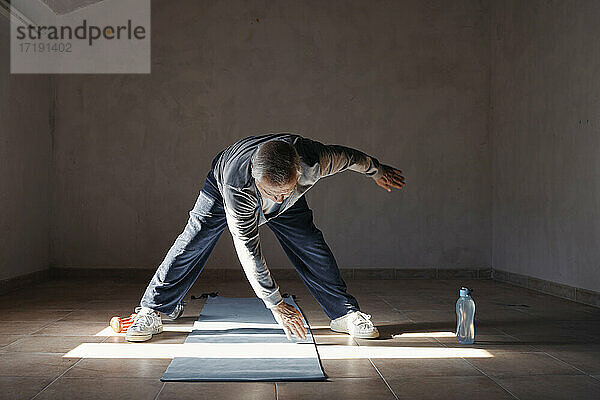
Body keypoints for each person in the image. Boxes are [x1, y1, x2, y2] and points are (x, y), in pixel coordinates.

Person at [125, 133, 406, 342]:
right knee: (193, 240)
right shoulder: (238, 185)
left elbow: (351, 158)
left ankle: (344, 313)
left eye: (285, 190)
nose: (279, 199)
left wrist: (377, 171)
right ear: (256, 180)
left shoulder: (314, 159)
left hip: (290, 192)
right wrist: (276, 303)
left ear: (299, 172)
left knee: (311, 246)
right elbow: (248, 248)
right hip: (221, 182)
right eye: (272, 193)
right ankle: (154, 308)